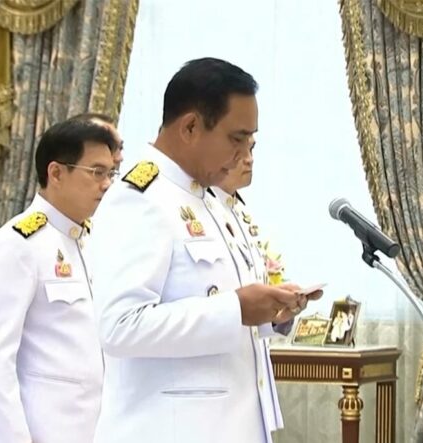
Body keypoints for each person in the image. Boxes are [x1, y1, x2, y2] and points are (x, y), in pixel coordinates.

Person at [89, 57, 319, 443]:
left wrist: (270, 309)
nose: (245, 153)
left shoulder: (209, 200)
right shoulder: (140, 197)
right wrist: (236, 308)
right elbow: (119, 327)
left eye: (251, 140)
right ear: (191, 127)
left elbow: (218, 306)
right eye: (237, 138)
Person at [0, 119, 118, 443]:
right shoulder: (18, 244)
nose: (106, 184)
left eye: (111, 173)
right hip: (46, 430)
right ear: (56, 173)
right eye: (96, 172)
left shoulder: (90, 241)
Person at [210, 137, 321, 435]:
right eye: (239, 148)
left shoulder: (240, 215)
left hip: (248, 393)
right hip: (214, 396)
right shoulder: (202, 213)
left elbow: (245, 314)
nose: (249, 159)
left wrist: (277, 314)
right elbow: (212, 309)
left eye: (253, 149)